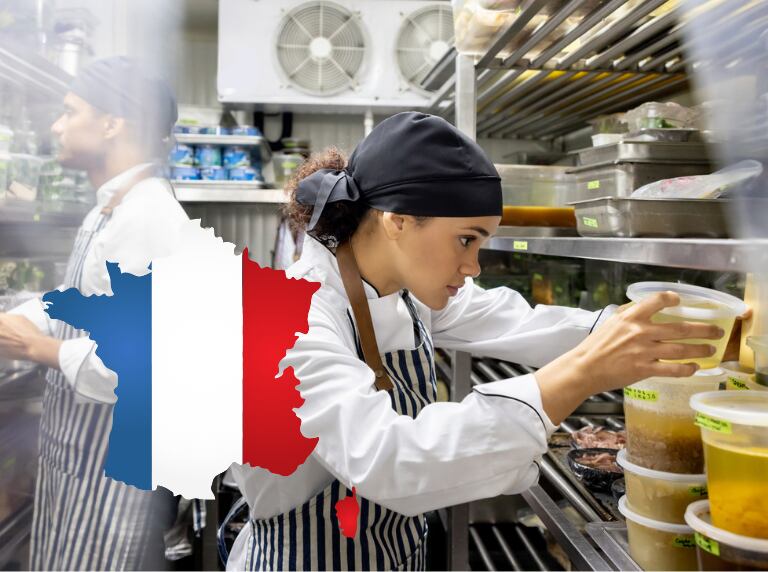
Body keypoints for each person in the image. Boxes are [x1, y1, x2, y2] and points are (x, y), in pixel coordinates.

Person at [226, 112, 728, 571]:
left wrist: (637, 330)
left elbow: (515, 319)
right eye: (466, 239)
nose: (474, 266)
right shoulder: (295, 319)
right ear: (396, 220)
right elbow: (386, 460)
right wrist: (583, 373)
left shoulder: (402, 290)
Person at [0, 57, 187, 570]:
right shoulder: (111, 207)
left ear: (111, 123)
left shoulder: (147, 216)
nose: (56, 125)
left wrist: (36, 347)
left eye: (68, 111)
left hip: (109, 475)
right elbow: (74, 296)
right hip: (79, 462)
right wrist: (20, 320)